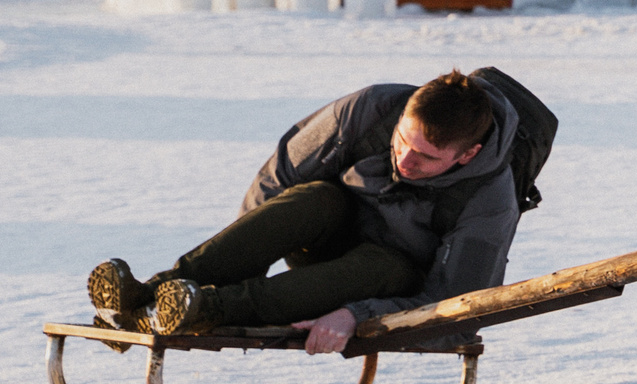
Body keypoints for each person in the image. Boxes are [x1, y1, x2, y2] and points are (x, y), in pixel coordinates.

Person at [86, 70, 524, 356]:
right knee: (317, 195)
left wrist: (358, 315)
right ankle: (148, 295)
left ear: (467, 155)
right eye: (402, 141)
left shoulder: (489, 198)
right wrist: (242, 266)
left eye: (426, 158)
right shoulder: (369, 110)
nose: (405, 160)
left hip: (388, 283)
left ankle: (208, 308)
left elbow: (460, 312)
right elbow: (276, 182)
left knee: (380, 263)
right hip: (326, 243)